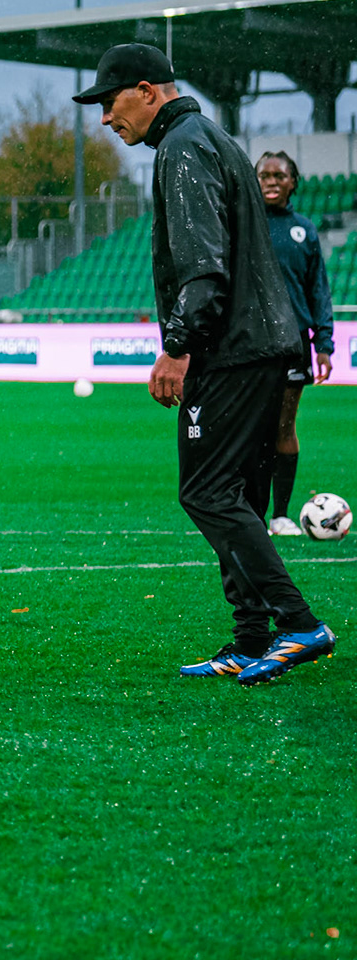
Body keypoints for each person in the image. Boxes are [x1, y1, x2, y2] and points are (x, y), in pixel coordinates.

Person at [77, 43, 334, 685]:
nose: (106, 119)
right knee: (240, 494)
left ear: (145, 90)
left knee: (206, 492)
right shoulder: (210, 136)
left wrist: (177, 346)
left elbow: (203, 265)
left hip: (233, 351)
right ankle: (251, 640)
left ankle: (298, 623)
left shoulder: (181, 146)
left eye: (109, 103)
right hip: (265, 344)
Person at [253, 151, 334, 536]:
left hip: (293, 341)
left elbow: (318, 290)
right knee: (250, 429)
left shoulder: (304, 230)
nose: (270, 181)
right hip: (248, 340)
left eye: (278, 175)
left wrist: (324, 344)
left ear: (293, 182)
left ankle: (281, 516)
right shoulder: (242, 225)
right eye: (263, 175)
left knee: (283, 426)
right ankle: (248, 516)